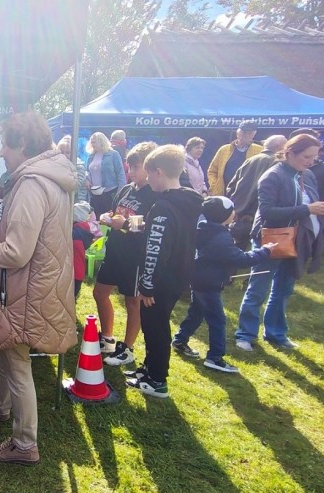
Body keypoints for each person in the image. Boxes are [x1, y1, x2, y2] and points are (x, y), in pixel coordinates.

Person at [0, 111, 77, 466]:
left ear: (22, 144)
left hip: (25, 290)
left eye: (4, 145)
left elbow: (16, 252)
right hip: (30, 286)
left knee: (16, 360)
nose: (0, 153)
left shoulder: (31, 183)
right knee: (6, 348)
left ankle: (25, 443)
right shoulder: (43, 178)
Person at [234, 134, 324, 352]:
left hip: (298, 241)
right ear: (290, 153)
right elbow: (267, 213)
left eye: (315, 156)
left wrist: (323, 207)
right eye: (306, 156)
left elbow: (308, 202)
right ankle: (245, 334)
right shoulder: (272, 176)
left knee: (283, 289)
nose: (311, 161)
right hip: (272, 240)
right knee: (258, 289)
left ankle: (276, 333)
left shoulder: (308, 175)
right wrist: (308, 209)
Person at [123, 145, 204, 398]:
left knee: (155, 327)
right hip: (179, 274)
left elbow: (155, 251)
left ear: (158, 172)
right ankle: (149, 369)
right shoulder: (190, 200)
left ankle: (157, 379)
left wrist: (147, 285)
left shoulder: (162, 208)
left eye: (149, 175)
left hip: (161, 280)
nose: (148, 181)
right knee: (155, 325)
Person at [172, 197, 274, 374]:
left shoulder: (204, 228)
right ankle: (215, 358)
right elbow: (241, 259)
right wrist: (264, 251)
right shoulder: (220, 237)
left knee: (196, 312)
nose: (235, 213)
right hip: (209, 284)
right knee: (218, 321)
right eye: (232, 210)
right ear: (225, 216)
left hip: (198, 280)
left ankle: (180, 340)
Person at [92, 142, 158, 367]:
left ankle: (127, 348)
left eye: (136, 167)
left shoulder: (154, 194)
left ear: (150, 167)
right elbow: (115, 212)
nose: (131, 172)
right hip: (115, 250)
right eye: (129, 167)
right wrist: (108, 217)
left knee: (133, 302)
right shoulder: (126, 189)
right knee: (99, 293)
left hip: (135, 255)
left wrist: (127, 224)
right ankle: (107, 338)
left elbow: (151, 227)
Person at [226, 135, 288, 249]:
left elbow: (231, 185)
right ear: (279, 147)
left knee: (236, 249)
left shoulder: (251, 159)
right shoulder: (277, 163)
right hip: (255, 213)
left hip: (240, 210)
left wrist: (234, 204)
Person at [207, 120, 263, 196]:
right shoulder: (224, 149)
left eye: (249, 133)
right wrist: (215, 185)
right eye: (243, 132)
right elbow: (212, 171)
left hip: (247, 196)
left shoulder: (259, 150)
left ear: (254, 134)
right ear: (237, 133)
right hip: (223, 193)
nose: (246, 135)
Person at [86, 132, 126, 216]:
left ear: (101, 141)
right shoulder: (91, 156)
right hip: (94, 194)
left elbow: (120, 173)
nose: (92, 144)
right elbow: (88, 172)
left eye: (94, 142)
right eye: (91, 142)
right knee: (96, 218)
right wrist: (87, 179)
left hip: (110, 193)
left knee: (108, 218)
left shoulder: (114, 154)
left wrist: (120, 194)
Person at [71, 201, 95, 299]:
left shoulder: (75, 234)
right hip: (79, 273)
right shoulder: (84, 231)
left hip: (72, 273)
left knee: (68, 302)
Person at [58, 135, 89, 202]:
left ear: (74, 153)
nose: (64, 155)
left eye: (67, 152)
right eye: (62, 152)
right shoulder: (58, 164)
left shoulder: (79, 166)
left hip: (76, 202)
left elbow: (75, 187)